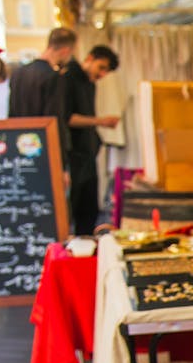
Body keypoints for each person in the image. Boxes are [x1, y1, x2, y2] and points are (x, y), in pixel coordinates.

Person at [63, 44, 120, 235]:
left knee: (89, 209)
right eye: (101, 67)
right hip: (74, 155)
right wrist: (100, 121)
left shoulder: (89, 83)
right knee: (76, 207)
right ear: (89, 58)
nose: (102, 74)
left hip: (87, 154)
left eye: (105, 71)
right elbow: (67, 117)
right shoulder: (68, 78)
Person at [9, 27, 76, 119]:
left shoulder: (18, 73)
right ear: (66, 50)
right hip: (42, 132)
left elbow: (12, 112)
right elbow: (54, 118)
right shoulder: (53, 76)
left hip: (19, 131)